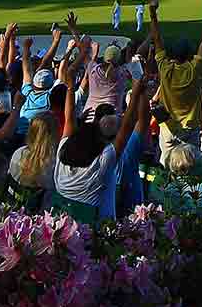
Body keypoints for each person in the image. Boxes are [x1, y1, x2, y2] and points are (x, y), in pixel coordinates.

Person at [54, 72, 147, 218]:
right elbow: (127, 126)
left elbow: (69, 118)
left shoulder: (63, 150)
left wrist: (71, 88)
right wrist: (136, 93)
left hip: (61, 223)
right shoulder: (103, 161)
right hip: (95, 231)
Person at [146, 0, 202, 157]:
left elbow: (157, 39)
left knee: (167, 164)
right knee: (191, 168)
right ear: (190, 55)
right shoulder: (194, 68)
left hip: (168, 128)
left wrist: (152, 14)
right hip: (190, 129)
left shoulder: (165, 68)